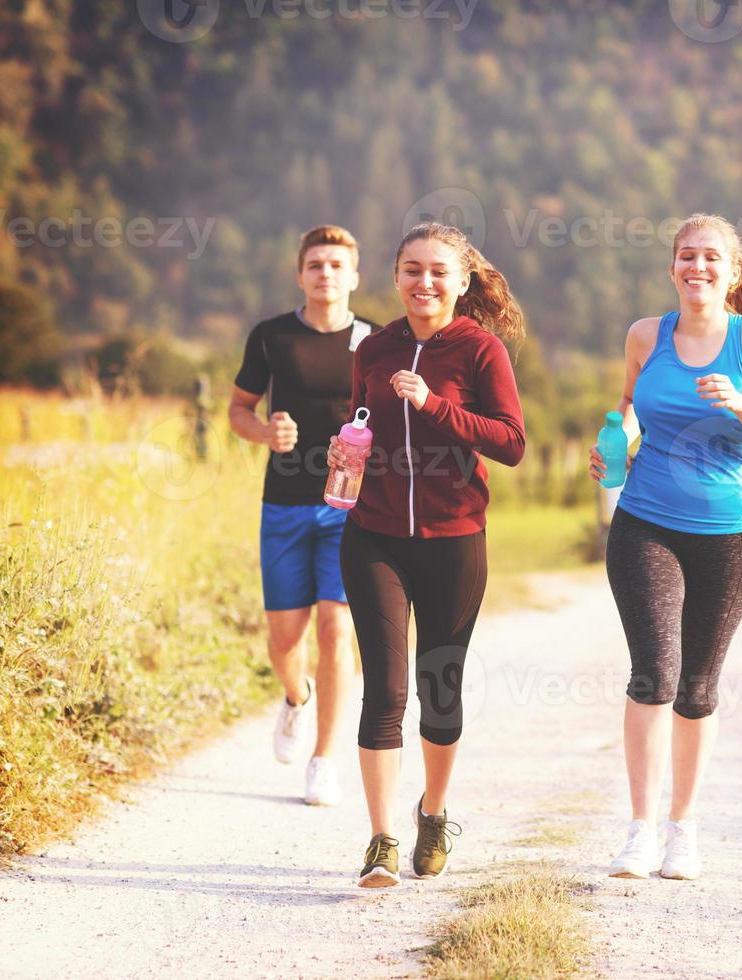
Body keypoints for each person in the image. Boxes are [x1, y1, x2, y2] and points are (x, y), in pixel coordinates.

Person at [589, 212, 742, 880]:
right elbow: (627, 403)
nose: (696, 268)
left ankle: (683, 829)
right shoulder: (646, 335)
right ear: (671, 267)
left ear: (730, 270)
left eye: (710, 258)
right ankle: (639, 831)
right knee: (653, 671)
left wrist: (738, 402)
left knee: (697, 688)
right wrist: (612, 442)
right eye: (685, 256)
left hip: (726, 537)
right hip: (644, 522)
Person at [327, 221, 526, 887]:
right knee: (383, 690)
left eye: (439, 271)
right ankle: (380, 839)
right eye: (412, 269)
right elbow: (361, 418)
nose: (424, 282)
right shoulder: (374, 349)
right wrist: (343, 447)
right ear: (395, 276)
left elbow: (509, 442)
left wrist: (436, 406)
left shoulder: (479, 350)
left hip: (453, 541)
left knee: (438, 693)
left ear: (462, 280)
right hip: (374, 537)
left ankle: (433, 815)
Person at [228, 225, 380, 807]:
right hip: (285, 505)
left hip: (348, 505)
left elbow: (391, 416)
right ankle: (296, 698)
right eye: (316, 264)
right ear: (300, 275)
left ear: (355, 276)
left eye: (337, 265)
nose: (326, 274)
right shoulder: (271, 337)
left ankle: (324, 759)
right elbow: (238, 411)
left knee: (337, 628)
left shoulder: (372, 340)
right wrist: (265, 431)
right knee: (284, 640)